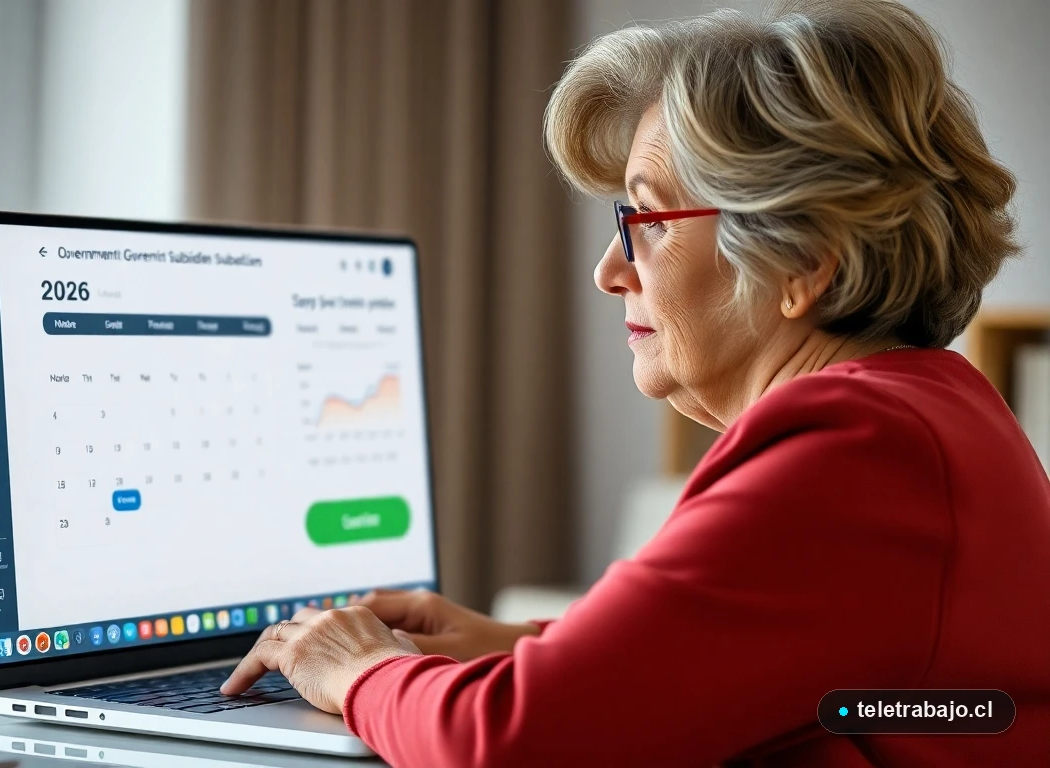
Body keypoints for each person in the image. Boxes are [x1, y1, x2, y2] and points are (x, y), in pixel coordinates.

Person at [220, 0, 1050, 764]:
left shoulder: (856, 445)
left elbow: (519, 745)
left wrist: (359, 669)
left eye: (643, 220)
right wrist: (518, 645)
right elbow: (809, 669)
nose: (608, 270)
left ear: (801, 260)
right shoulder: (931, 410)